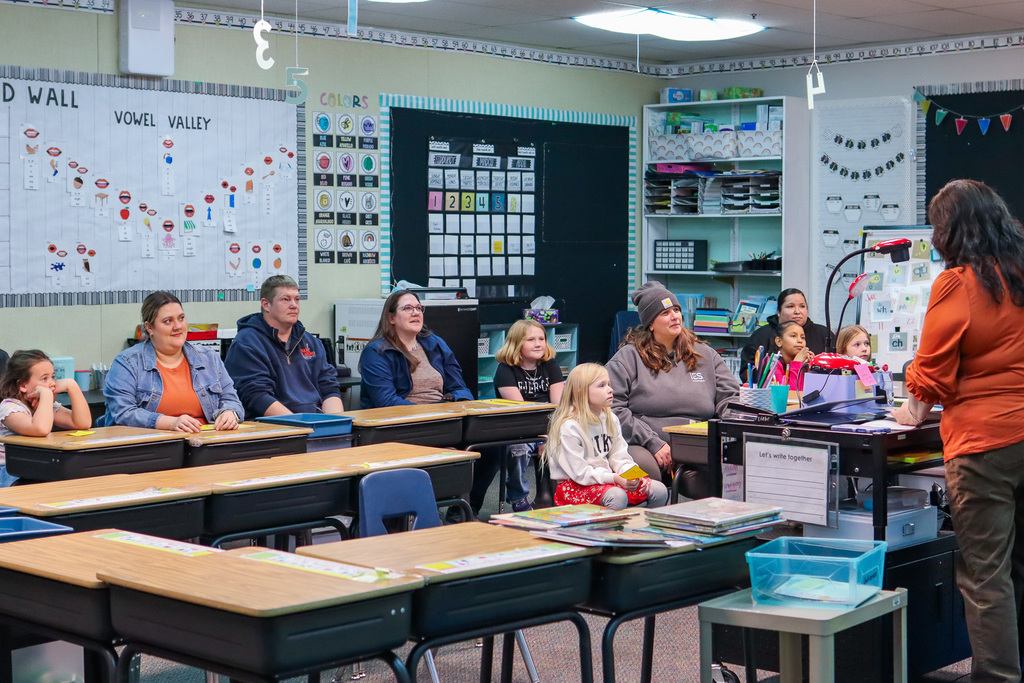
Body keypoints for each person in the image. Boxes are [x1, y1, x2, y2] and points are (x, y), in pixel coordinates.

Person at [891, 179, 1024, 683]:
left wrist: (910, 411)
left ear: (952, 230)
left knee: (987, 575)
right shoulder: (1020, 273)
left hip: (985, 444)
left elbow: (931, 375)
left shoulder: (960, 283)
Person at [607, 281, 740, 495]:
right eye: (665, 313)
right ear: (650, 323)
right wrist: (653, 443)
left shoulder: (705, 354)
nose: (675, 316)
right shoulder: (628, 357)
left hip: (698, 444)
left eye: (676, 310)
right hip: (645, 444)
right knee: (646, 474)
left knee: (733, 466)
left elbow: (730, 398)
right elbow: (613, 409)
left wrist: (731, 430)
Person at [105, 291, 243, 431]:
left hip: (206, 443)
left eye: (181, 318)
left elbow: (232, 401)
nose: (178, 326)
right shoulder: (127, 363)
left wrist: (230, 413)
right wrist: (169, 423)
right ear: (149, 327)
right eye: (168, 321)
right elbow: (123, 413)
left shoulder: (209, 358)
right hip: (152, 446)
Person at [544, 363, 668, 510]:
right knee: (616, 496)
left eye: (609, 384)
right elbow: (580, 473)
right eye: (601, 385)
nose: (610, 390)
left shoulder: (610, 418)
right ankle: (607, 532)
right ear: (581, 391)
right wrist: (614, 478)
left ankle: (641, 530)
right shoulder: (569, 427)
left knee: (659, 490)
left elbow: (619, 456)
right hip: (575, 486)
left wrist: (632, 474)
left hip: (607, 478)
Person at [225, 275, 342, 417]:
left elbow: (329, 387)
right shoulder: (247, 343)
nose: (293, 305)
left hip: (313, 421)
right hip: (273, 427)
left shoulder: (311, 342)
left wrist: (336, 421)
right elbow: (256, 396)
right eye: (285, 299)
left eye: (297, 299)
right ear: (266, 304)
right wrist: (299, 424)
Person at [483, 319, 565, 512]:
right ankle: (519, 497)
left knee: (566, 442)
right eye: (530, 339)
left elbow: (557, 407)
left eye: (541, 338)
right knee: (518, 448)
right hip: (519, 428)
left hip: (549, 426)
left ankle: (560, 496)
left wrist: (550, 436)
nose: (538, 344)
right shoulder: (505, 370)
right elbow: (521, 412)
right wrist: (539, 436)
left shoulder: (551, 365)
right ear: (517, 344)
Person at [359, 289, 473, 408]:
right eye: (407, 308)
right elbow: (386, 401)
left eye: (419, 308)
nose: (416, 313)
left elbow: (459, 387)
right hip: (403, 420)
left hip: (441, 415)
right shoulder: (377, 352)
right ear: (391, 318)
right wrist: (428, 412)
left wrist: (460, 400)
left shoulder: (436, 343)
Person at [0, 350, 92, 486]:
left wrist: (72, 386)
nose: (52, 383)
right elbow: (40, 429)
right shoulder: (9, 407)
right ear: (23, 385)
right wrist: (47, 395)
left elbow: (82, 423)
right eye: (44, 379)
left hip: (36, 467)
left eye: (53, 377)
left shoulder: (43, 405)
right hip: (9, 471)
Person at [739, 288, 828, 383]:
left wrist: (812, 367)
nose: (797, 311)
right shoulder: (761, 335)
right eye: (790, 307)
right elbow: (748, 375)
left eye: (802, 306)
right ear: (778, 311)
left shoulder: (824, 334)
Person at [771, 321, 813, 390]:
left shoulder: (803, 364)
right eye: (793, 336)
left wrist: (811, 368)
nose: (800, 340)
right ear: (779, 341)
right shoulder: (772, 362)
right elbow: (789, 395)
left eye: (802, 337)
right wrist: (796, 364)